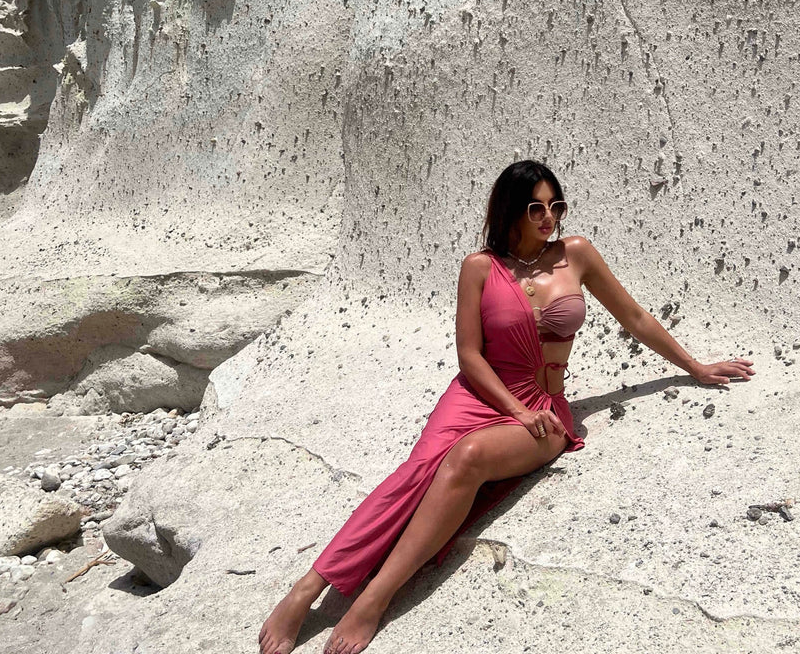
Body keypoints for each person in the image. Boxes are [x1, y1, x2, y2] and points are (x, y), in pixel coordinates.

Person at [259, 160, 754, 654]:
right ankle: (307, 589)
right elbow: (469, 356)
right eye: (536, 207)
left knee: (466, 458)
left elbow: (634, 316)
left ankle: (374, 598)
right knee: (416, 473)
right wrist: (513, 410)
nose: (548, 217)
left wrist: (695, 366)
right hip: (479, 395)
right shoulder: (479, 267)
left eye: (555, 205)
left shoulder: (576, 254)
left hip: (545, 405)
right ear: (512, 211)